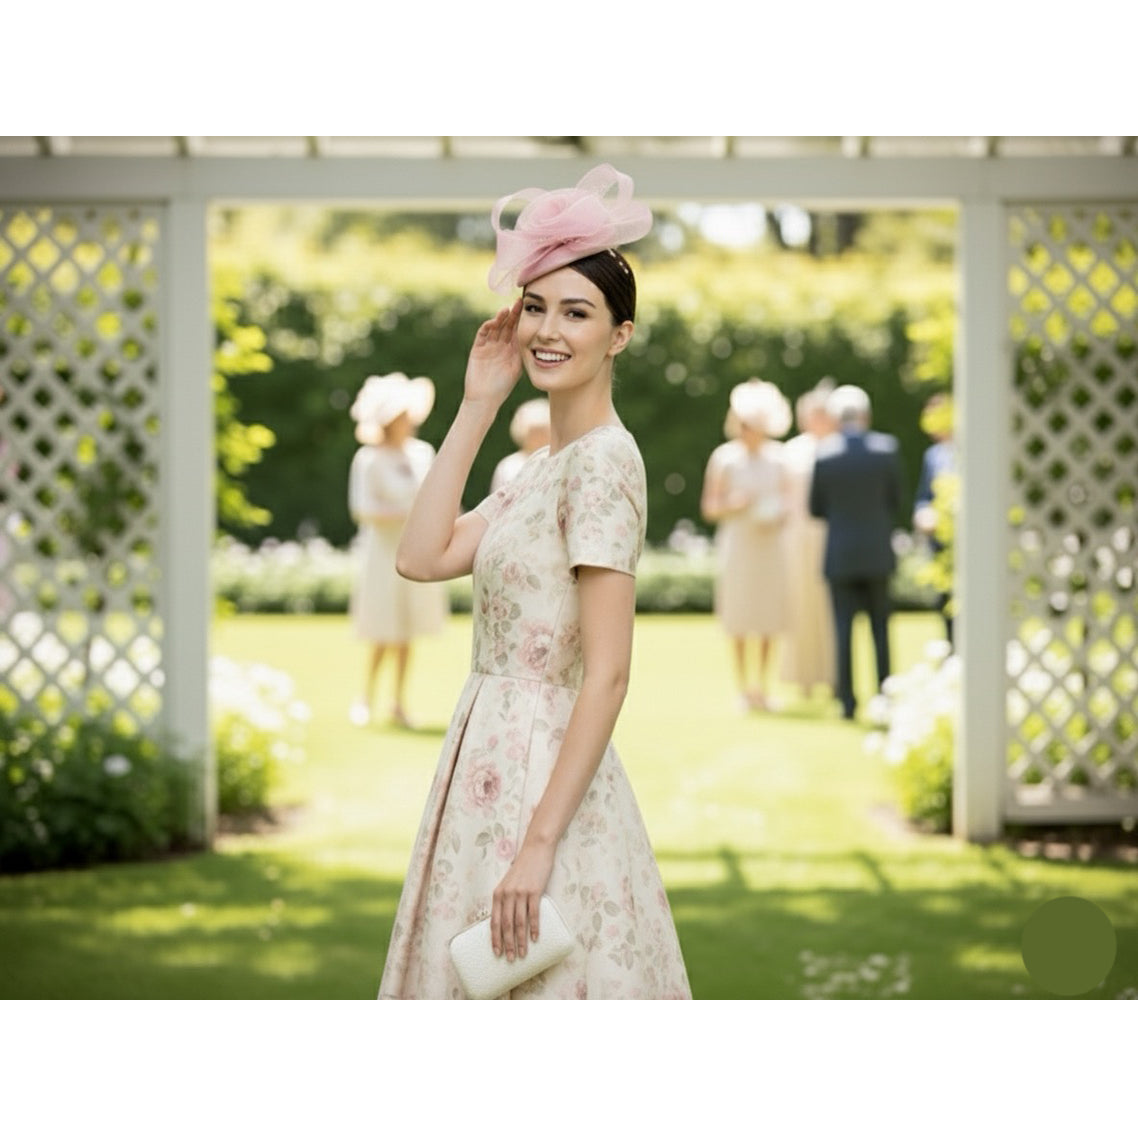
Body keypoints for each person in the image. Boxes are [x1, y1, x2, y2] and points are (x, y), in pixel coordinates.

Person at [378, 164, 691, 999]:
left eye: (577, 312)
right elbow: (420, 556)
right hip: (484, 760)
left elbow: (609, 673)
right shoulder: (540, 470)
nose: (549, 330)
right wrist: (478, 404)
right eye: (537, 307)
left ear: (620, 335)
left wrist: (540, 844)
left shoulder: (603, 464)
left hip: (542, 776)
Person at [347, 372, 448, 730]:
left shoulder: (422, 453)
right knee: (383, 625)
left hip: (416, 549)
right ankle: (365, 697)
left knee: (407, 628)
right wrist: (408, 514)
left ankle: (398, 703)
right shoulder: (369, 458)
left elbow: (438, 494)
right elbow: (363, 509)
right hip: (383, 552)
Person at [808, 384, 904, 721]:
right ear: (866, 415)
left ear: (836, 418)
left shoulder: (824, 455)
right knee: (881, 629)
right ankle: (885, 696)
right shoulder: (887, 450)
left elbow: (815, 508)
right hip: (877, 553)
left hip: (841, 555)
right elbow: (896, 500)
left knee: (843, 630)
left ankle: (847, 703)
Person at [700, 378, 793, 712]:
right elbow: (709, 507)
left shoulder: (780, 458)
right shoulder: (724, 458)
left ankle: (763, 687)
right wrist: (733, 504)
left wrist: (778, 514)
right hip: (738, 545)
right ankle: (743, 688)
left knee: (769, 616)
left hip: (770, 545)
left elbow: (790, 502)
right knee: (739, 616)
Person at [779, 380, 837, 698]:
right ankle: (802, 678)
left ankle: (833, 675)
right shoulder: (791, 451)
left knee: (829, 608)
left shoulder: (838, 447)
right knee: (799, 607)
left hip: (830, 536)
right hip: (796, 539)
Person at [913, 392, 956, 646]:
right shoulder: (933, 455)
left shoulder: (969, 452)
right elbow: (924, 496)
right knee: (944, 602)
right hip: (938, 540)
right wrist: (922, 513)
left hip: (961, 539)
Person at [490, 397, 551, 490]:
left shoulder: (559, 460)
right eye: (533, 432)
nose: (538, 438)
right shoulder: (508, 465)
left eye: (542, 432)